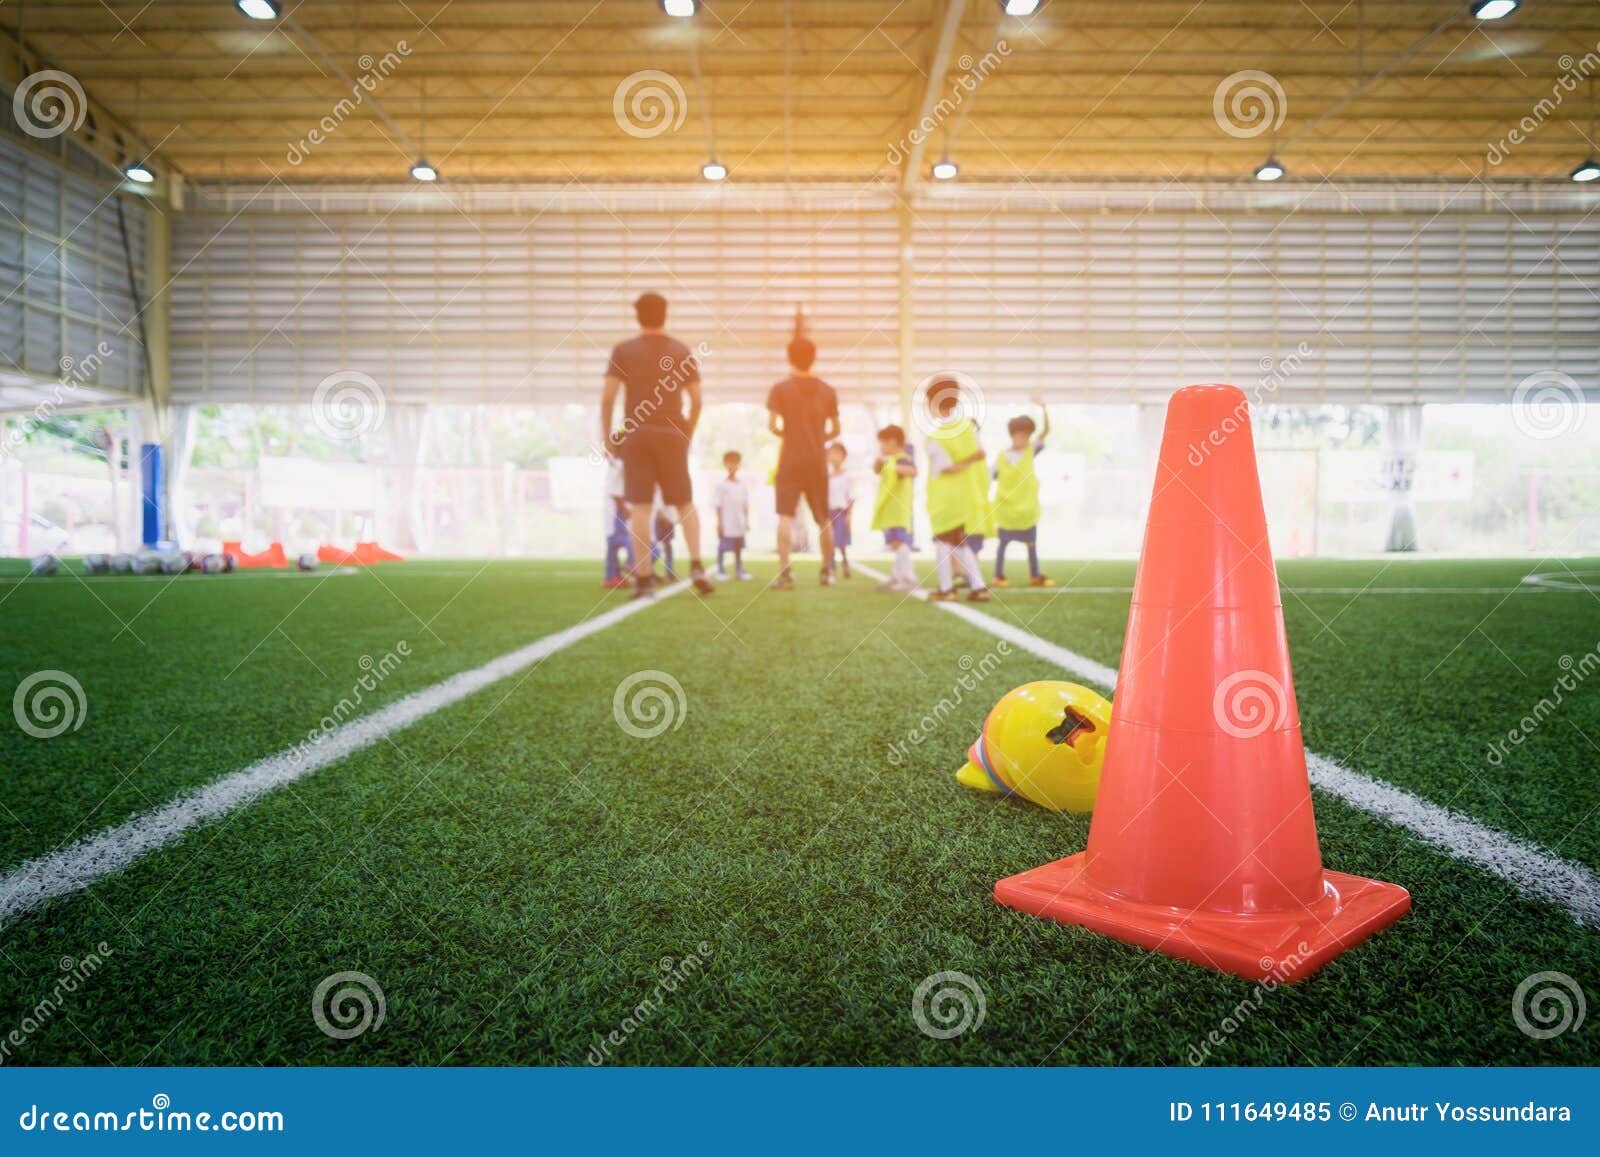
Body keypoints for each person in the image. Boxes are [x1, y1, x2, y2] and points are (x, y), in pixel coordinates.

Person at [600, 291, 714, 598]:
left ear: (638, 316)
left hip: (636, 434)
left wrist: (608, 436)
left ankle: (644, 580)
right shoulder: (680, 351)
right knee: (684, 501)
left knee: (641, 506)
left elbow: (608, 397)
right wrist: (687, 432)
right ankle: (697, 567)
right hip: (672, 434)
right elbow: (697, 400)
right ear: (666, 314)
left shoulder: (623, 350)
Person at [765, 336, 837, 589]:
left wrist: (791, 435)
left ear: (789, 358)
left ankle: (786, 574)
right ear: (814, 357)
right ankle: (827, 572)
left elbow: (773, 425)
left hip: (790, 460)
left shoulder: (780, 389)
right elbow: (836, 429)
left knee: (785, 516)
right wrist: (818, 438)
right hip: (817, 461)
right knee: (823, 518)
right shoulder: (828, 391)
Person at [923, 376, 990, 602]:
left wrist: (964, 462)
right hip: (966, 497)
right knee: (956, 543)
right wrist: (970, 459)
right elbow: (980, 453)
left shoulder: (936, 436)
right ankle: (977, 588)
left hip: (945, 500)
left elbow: (947, 469)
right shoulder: (968, 428)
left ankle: (947, 589)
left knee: (943, 542)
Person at [993, 405, 1054, 587]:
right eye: (1022, 436)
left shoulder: (1030, 450)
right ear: (1013, 435)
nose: (1025, 440)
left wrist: (1044, 409)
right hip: (1007, 510)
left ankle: (1035, 575)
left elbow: (1046, 432)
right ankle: (998, 575)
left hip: (1027, 510)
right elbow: (991, 475)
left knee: (1031, 545)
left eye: (1028, 436)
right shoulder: (1002, 456)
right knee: (1002, 545)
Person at [871, 424, 918, 591]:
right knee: (894, 542)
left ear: (892, 442)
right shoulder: (889, 460)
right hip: (890, 510)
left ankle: (909, 577)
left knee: (899, 542)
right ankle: (898, 575)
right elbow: (876, 470)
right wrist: (881, 461)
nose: (881, 447)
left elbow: (912, 471)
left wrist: (890, 465)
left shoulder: (902, 457)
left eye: (883, 443)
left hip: (898, 510)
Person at [714, 450, 752, 581]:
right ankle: (720, 570)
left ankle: (739, 570)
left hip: (739, 522)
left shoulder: (742, 485)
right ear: (725, 464)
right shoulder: (721, 485)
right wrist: (719, 522)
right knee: (723, 547)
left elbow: (746, 505)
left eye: (735, 463)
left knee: (738, 547)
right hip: (726, 522)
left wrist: (746, 521)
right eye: (730, 463)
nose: (732, 466)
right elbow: (718, 505)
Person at [602, 454, 631, 589]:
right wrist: (624, 508)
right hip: (615, 512)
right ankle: (611, 577)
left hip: (616, 510)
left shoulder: (620, 463)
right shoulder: (619, 464)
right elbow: (615, 492)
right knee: (615, 543)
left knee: (614, 544)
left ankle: (615, 576)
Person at [826, 442, 855, 579]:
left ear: (844, 456)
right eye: (831, 453)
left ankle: (844, 562)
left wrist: (849, 515)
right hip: (828, 513)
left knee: (840, 542)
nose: (834, 457)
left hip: (840, 512)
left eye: (837, 453)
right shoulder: (826, 475)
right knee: (830, 542)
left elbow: (851, 497)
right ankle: (831, 568)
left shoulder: (847, 475)